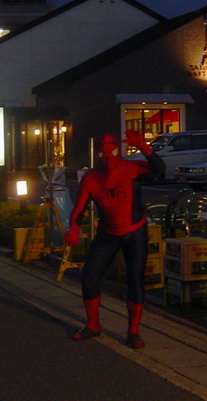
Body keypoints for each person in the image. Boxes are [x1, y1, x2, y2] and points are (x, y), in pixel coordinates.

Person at [65, 130, 165, 349]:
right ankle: (93, 324)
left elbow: (160, 172)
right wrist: (73, 226)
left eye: (112, 150)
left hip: (135, 231)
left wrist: (145, 148)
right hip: (108, 233)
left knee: (135, 279)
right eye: (103, 152)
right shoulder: (91, 177)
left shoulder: (131, 168)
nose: (107, 156)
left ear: (119, 150)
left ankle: (134, 331)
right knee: (89, 275)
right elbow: (79, 207)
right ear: (97, 153)